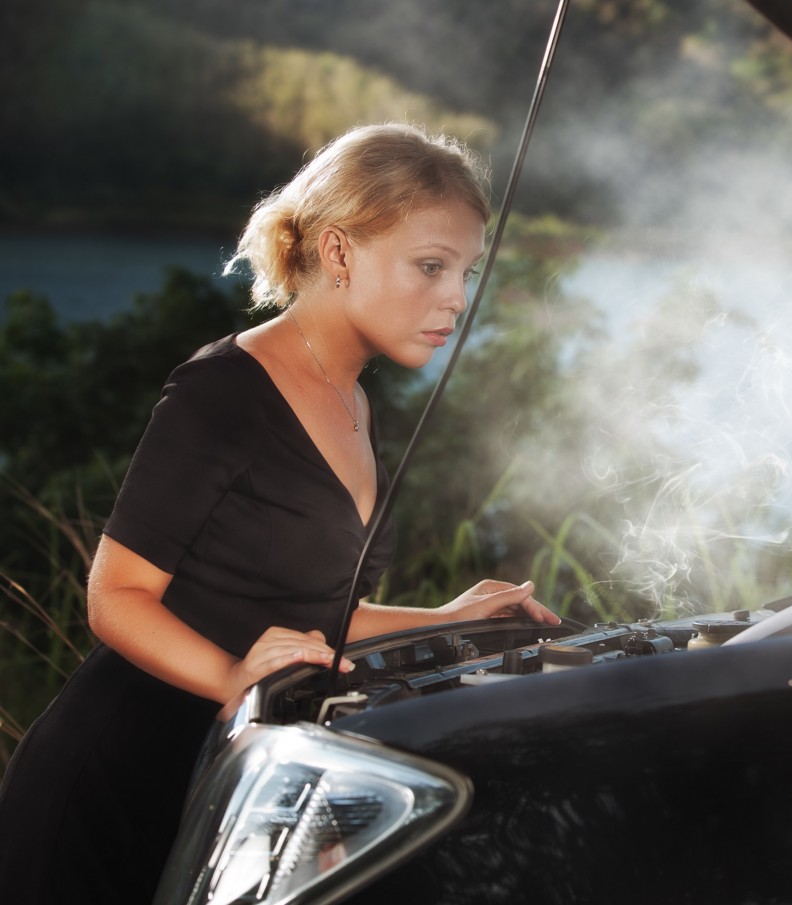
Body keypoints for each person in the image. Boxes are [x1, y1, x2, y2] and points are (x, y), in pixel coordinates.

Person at [0, 122, 560, 903]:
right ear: (338, 254)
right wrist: (232, 675)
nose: (457, 299)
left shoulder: (356, 403)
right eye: (430, 267)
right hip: (115, 779)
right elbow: (114, 595)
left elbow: (310, 614)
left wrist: (447, 615)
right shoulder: (223, 391)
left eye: (464, 271)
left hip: (228, 783)